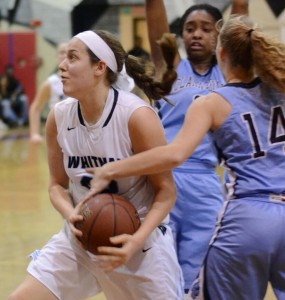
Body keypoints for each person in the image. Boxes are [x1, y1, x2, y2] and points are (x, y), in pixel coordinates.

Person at [85, 15, 285, 300]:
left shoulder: (213, 101)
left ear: (222, 52)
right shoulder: (280, 91)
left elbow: (174, 153)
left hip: (248, 215)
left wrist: (112, 169)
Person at [8, 30, 184, 300]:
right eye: (64, 57)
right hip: (80, 240)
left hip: (139, 246)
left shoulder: (136, 117)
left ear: (99, 67)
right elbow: (56, 185)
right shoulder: (59, 116)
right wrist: (71, 216)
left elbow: (166, 192)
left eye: (73, 57)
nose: (62, 65)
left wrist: (135, 241)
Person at [144, 0, 249, 292]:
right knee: (159, 267)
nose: (196, 34)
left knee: (197, 271)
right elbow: (153, 5)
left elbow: (240, 10)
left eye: (205, 29)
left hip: (204, 182)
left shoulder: (230, 74)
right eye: (189, 29)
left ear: (220, 37)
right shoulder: (169, 68)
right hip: (160, 176)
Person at [29, 42, 67, 143]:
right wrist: (34, 134)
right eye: (62, 52)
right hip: (57, 132)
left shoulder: (82, 80)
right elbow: (35, 108)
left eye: (69, 52)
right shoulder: (51, 82)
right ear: (56, 57)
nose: (65, 55)